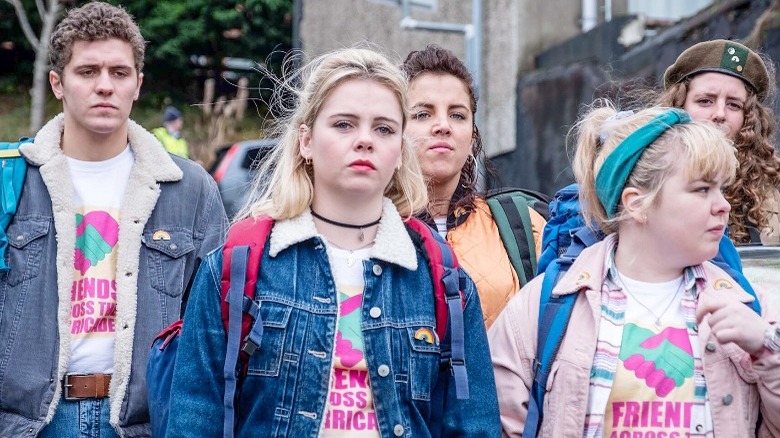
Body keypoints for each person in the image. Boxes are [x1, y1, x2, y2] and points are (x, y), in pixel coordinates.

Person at [165, 47, 500, 436]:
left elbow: (474, 426)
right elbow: (194, 421)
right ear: (306, 141)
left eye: (384, 128)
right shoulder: (236, 267)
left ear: (399, 150)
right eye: (343, 124)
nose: (364, 140)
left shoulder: (444, 281)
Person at [0, 3, 227, 437]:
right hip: (29, 425)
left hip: (143, 423)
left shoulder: (190, 189)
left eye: (119, 73)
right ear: (58, 83)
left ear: (138, 84)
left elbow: (212, 332)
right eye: (87, 72)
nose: (105, 86)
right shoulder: (12, 179)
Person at [489, 103, 780, 436]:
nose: (723, 205)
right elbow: (497, 424)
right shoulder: (546, 304)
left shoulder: (749, 305)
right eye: (702, 189)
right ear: (636, 203)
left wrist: (767, 347)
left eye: (722, 189)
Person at [402, 45, 547, 328]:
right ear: (393, 130)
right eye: (423, 114)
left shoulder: (524, 224)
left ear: (471, 138)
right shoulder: (367, 228)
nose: (443, 125)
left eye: (457, 115)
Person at [657, 39, 780, 245]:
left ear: (749, 117)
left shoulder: (772, 185)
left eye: (733, 105)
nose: (720, 114)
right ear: (679, 106)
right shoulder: (647, 177)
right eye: (705, 101)